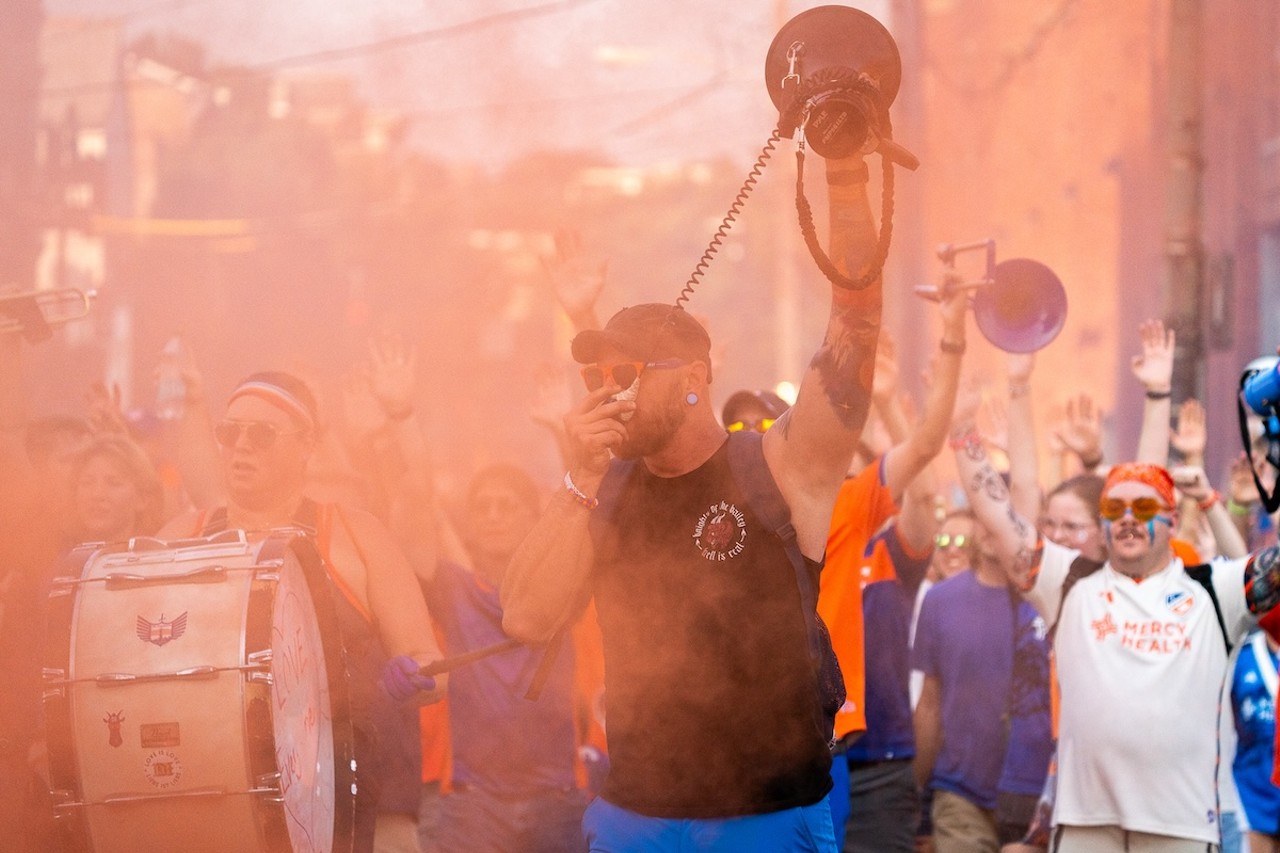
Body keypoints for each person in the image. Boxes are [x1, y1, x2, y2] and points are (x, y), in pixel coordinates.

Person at [500, 151, 886, 853]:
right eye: (598, 373)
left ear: (695, 380)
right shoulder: (604, 488)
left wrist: (846, 175)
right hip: (634, 819)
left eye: (628, 372)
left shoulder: (772, 462)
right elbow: (525, 613)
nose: (608, 387)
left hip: (765, 821)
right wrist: (580, 476)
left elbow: (853, 327)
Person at [950, 408, 1280, 852]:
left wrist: (1215, 501)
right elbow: (996, 513)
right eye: (1114, 508)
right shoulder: (1066, 581)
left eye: (1143, 507)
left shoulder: (1213, 589)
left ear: (1169, 517)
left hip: (1181, 826)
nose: (1127, 517)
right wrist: (961, 435)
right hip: (1085, 823)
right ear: (1103, 524)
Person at [157, 370, 447, 853]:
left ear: (306, 445)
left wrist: (413, 674)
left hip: (339, 799)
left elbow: (430, 665)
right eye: (230, 432)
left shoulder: (357, 535)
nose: (241, 446)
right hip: (211, 798)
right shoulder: (179, 537)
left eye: (262, 434)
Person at [424, 463, 588, 853]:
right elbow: (416, 505)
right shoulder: (452, 588)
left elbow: (589, 519)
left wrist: (572, 447)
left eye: (506, 505)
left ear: (535, 516)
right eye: (483, 507)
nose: (493, 516)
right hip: (471, 802)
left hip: (558, 797)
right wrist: (400, 418)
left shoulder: (564, 589)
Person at [69, 433, 165, 543]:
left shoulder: (158, 556)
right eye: (87, 482)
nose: (97, 494)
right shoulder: (57, 557)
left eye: (114, 483)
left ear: (142, 498)